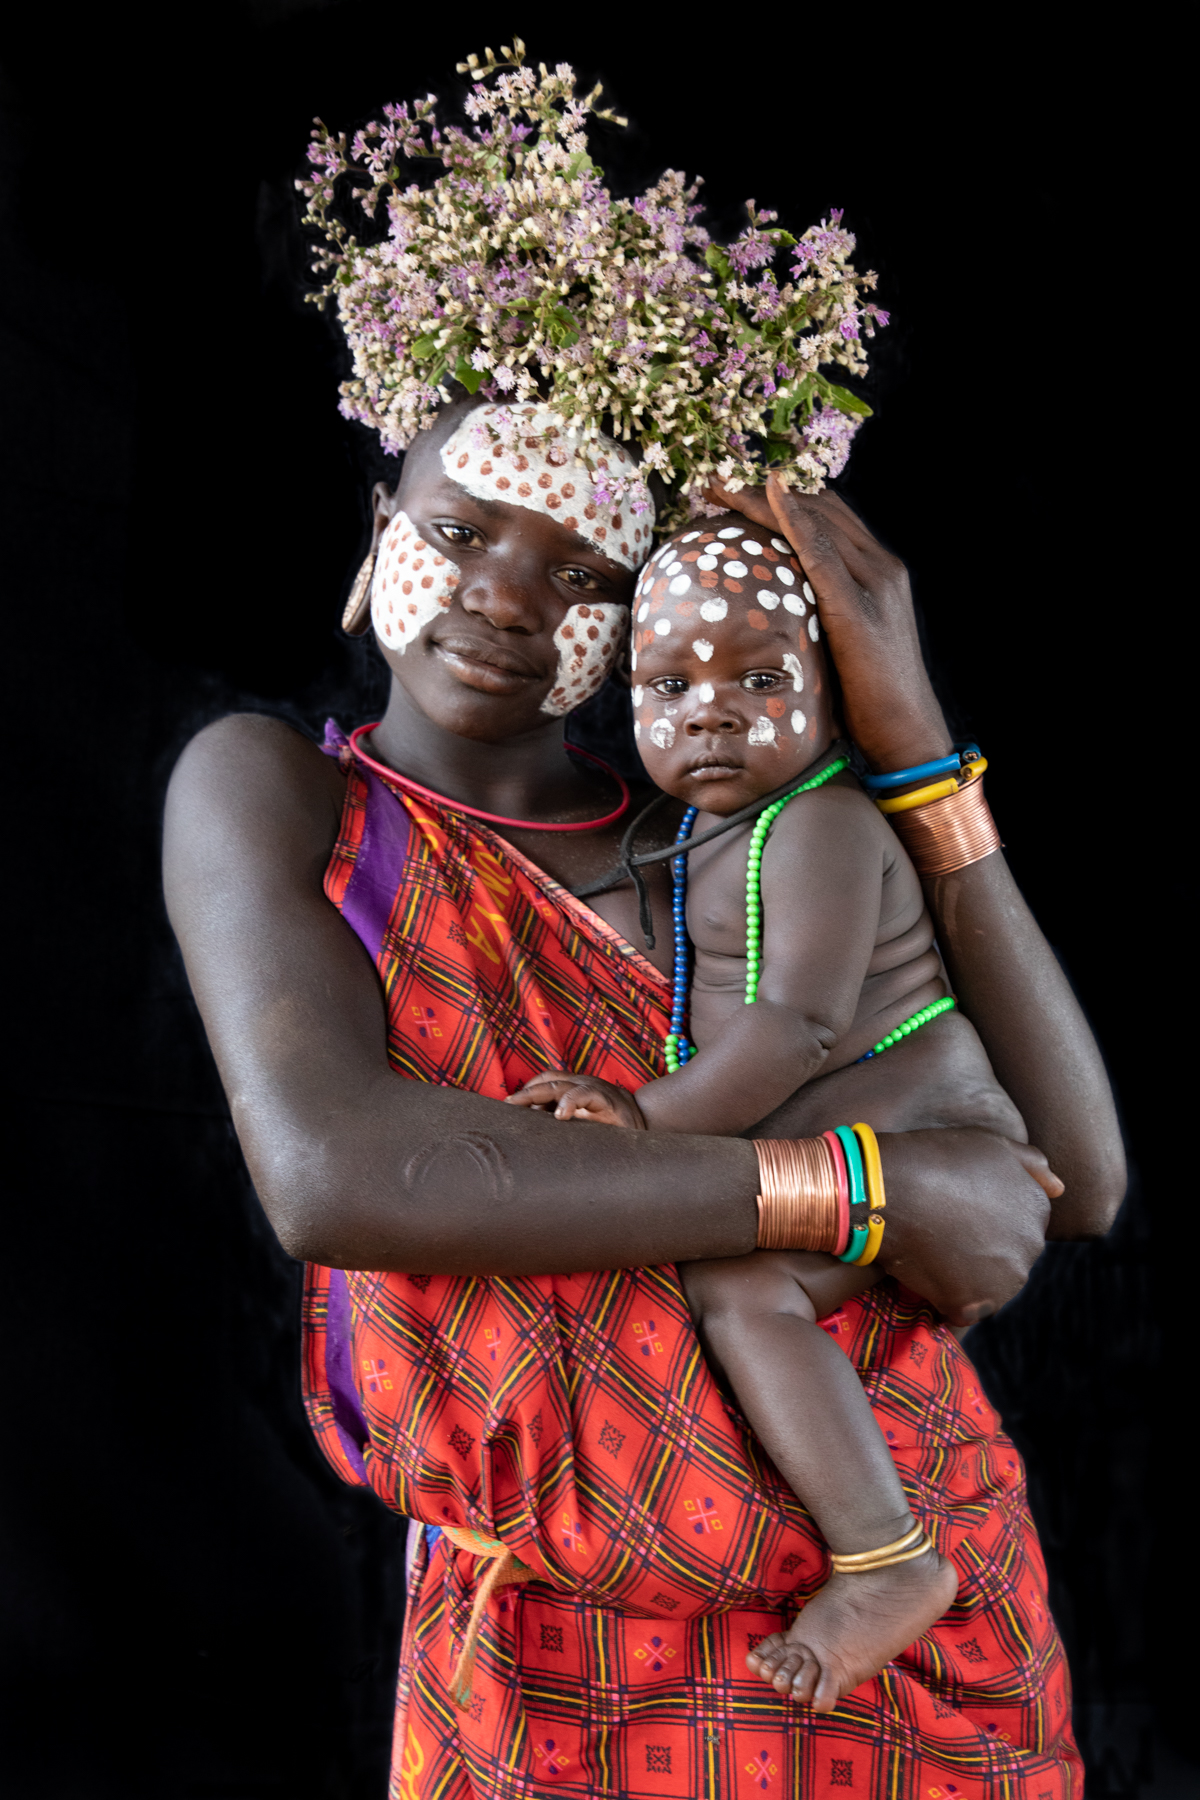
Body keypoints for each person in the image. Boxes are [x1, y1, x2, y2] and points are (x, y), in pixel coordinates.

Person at [162, 51, 1124, 1799]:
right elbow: (339, 1176)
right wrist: (862, 1190)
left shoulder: (738, 849)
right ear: (380, 542)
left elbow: (1076, 1176)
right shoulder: (289, 804)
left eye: (587, 576)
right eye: (462, 533)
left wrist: (913, 755)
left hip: (915, 1600)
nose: (512, 605)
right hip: (557, 1652)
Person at [504, 508, 1016, 1710]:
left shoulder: (824, 823)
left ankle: (889, 1562)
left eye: (760, 677)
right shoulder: (703, 831)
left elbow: (800, 1027)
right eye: (666, 682)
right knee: (725, 1289)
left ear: (835, 696)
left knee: (742, 1286)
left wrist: (643, 1116)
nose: (709, 710)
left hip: (926, 1123)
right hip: (847, 1134)